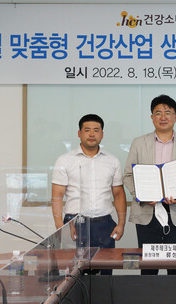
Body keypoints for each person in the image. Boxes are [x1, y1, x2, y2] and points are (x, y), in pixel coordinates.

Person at [124, 94, 176, 275]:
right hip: (147, 211)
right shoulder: (139, 143)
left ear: (175, 116)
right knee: (148, 268)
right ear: (152, 117)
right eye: (158, 113)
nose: (163, 117)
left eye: (167, 112)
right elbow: (128, 175)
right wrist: (141, 195)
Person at [51, 114, 127, 274]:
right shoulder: (65, 160)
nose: (92, 134)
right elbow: (57, 195)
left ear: (102, 134)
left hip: (104, 224)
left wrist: (121, 224)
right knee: (75, 274)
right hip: (75, 224)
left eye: (96, 130)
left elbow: (118, 194)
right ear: (79, 133)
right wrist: (60, 228)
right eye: (87, 130)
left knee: (105, 274)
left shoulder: (112, 161)